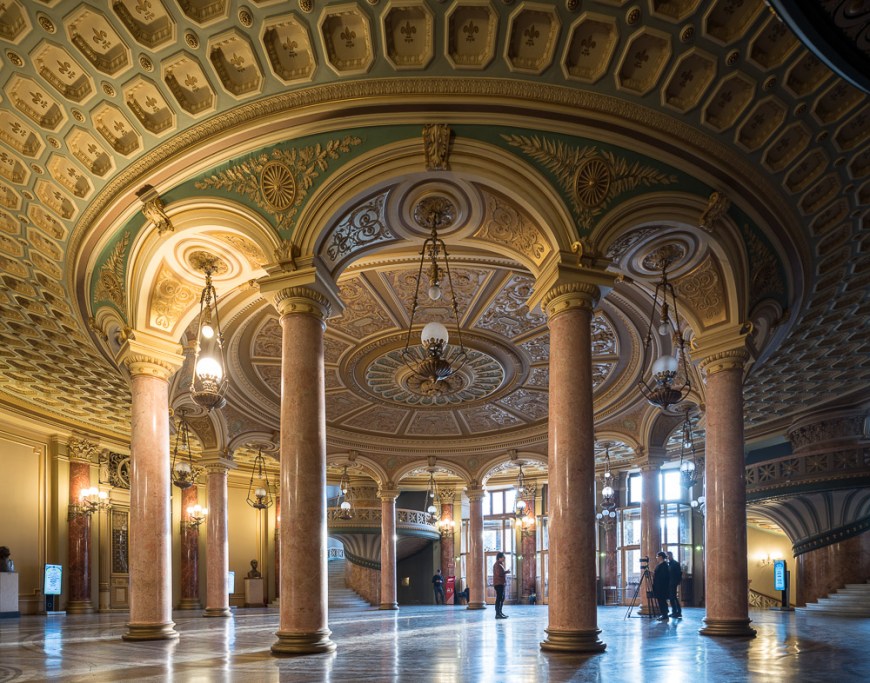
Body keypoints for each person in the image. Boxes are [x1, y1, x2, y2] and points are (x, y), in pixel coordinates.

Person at [653, 551, 670, 622]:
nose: (656, 558)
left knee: (662, 600)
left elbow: (663, 577)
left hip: (662, 587)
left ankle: (664, 614)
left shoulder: (664, 565)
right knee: (661, 600)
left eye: (657, 556)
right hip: (659, 586)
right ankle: (664, 613)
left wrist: (655, 575)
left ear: (660, 557)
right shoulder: (660, 565)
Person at [493, 552, 510, 619]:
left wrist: (505, 572)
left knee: (501, 598)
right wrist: (506, 572)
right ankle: (497, 614)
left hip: (500, 583)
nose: (504, 558)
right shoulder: (497, 565)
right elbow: (499, 574)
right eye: (503, 557)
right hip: (498, 584)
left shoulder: (500, 564)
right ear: (499, 558)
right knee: (499, 599)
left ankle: (500, 612)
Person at [667, 551, 683, 618]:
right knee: (672, 598)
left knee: (673, 597)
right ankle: (674, 612)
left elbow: (679, 574)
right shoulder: (669, 564)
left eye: (668, 556)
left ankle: (678, 612)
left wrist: (676, 582)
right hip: (670, 583)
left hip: (673, 583)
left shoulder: (675, 563)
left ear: (670, 555)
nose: (667, 557)